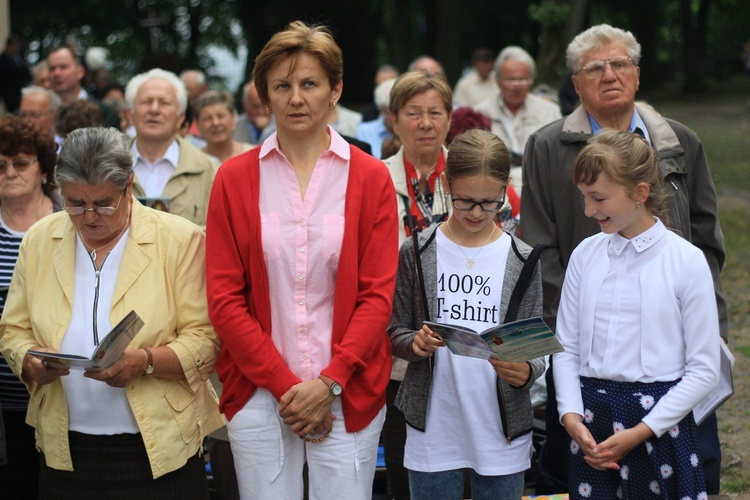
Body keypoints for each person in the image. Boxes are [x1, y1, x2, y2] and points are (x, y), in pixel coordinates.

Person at [521, 24, 727, 495]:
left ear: (637, 74)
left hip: (664, 393)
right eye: (595, 67)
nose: (609, 75)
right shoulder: (550, 149)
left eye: (619, 64)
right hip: (589, 392)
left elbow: (705, 235)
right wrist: (570, 408)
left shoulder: (680, 142)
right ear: (575, 81)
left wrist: (702, 318)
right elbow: (542, 249)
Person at [205, 21, 398, 499]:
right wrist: (286, 385)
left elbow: (378, 296)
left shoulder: (371, 178)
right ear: (264, 96)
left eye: (309, 83)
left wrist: (329, 382)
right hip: (258, 390)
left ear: (335, 90)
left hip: (348, 387)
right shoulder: (232, 179)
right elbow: (225, 299)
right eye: (282, 86)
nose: (296, 98)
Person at [0, 127, 223, 499]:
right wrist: (29, 361)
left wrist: (145, 361)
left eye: (104, 203)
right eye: (74, 203)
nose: (89, 217)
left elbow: (206, 340)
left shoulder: (178, 239)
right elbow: (12, 329)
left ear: (129, 187)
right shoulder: (39, 239)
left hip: (160, 449)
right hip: (64, 450)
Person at [555, 129, 719, 499]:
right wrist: (571, 415)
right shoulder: (585, 255)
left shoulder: (685, 262)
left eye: (598, 198)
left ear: (640, 193)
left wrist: (643, 429)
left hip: (660, 426)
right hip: (592, 426)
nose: (588, 210)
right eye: (584, 197)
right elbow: (566, 345)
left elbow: (705, 369)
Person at [388, 129, 545, 500]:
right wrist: (417, 342)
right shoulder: (417, 250)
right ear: (446, 183)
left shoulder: (522, 258)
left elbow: (535, 347)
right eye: (465, 201)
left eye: (490, 203)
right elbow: (395, 331)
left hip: (501, 431)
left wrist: (524, 371)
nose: (476, 213)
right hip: (433, 430)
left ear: (507, 187)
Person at [379, 69, 454, 499]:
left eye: (434, 112)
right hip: (397, 354)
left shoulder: (470, 175)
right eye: (413, 113)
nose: (425, 123)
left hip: (462, 352)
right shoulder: (372, 180)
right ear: (394, 120)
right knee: (405, 469)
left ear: (448, 118)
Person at [0, 115, 62, 499]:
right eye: (0, 165)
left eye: (20, 163)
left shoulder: (70, 222)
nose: (9, 172)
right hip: (3, 406)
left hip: (60, 395)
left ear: (42, 167)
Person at [125, 68, 217, 227]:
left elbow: (218, 234)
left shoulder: (207, 170)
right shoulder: (106, 166)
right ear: (130, 114)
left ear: (180, 117)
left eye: (164, 103)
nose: (154, 110)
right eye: (146, 102)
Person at [475, 46, 561, 198]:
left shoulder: (550, 111)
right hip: (493, 194)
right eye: (510, 80)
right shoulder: (480, 113)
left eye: (523, 79)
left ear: (531, 80)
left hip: (540, 191)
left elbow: (559, 156)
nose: (517, 86)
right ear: (498, 80)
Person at [46, 47, 120, 130]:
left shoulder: (105, 113)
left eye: (63, 67)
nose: (57, 73)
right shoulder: (43, 113)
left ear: (80, 72)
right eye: (52, 69)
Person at [195, 90, 252, 164]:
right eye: (208, 118)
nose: (215, 123)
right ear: (198, 124)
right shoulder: (194, 162)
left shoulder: (252, 155)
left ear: (233, 118)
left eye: (221, 116)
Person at [356, 77, 397, 159]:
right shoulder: (365, 131)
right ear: (381, 111)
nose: (394, 118)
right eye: (389, 113)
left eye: (397, 112)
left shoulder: (412, 130)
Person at [233, 80, 275, 145]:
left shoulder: (282, 126)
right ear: (245, 104)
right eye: (256, 107)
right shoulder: (234, 128)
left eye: (265, 106)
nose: (261, 111)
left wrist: (268, 129)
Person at [0, 34, 32, 115]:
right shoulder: (2, 60)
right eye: (14, 46)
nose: (16, 49)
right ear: (9, 46)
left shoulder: (20, 57)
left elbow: (26, 73)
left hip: (22, 93)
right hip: (10, 97)